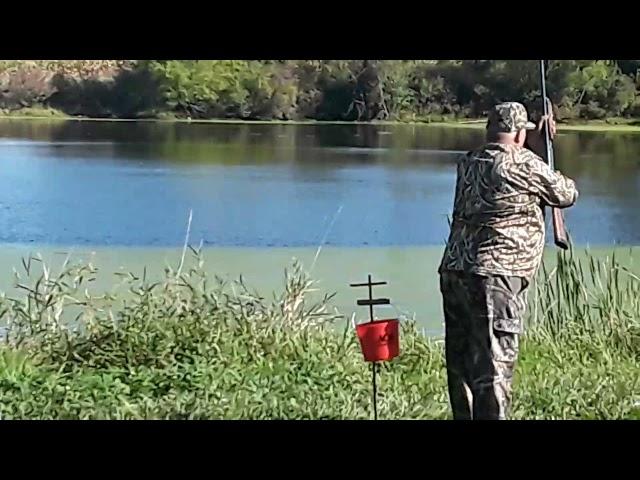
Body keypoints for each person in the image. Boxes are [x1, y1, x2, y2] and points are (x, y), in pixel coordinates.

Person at [438, 101, 578, 420]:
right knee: (495, 366)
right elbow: (566, 193)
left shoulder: (468, 161)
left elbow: (502, 170)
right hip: (498, 276)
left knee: (462, 365)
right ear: (519, 133)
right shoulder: (526, 164)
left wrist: (532, 147)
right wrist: (542, 149)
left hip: (456, 269)